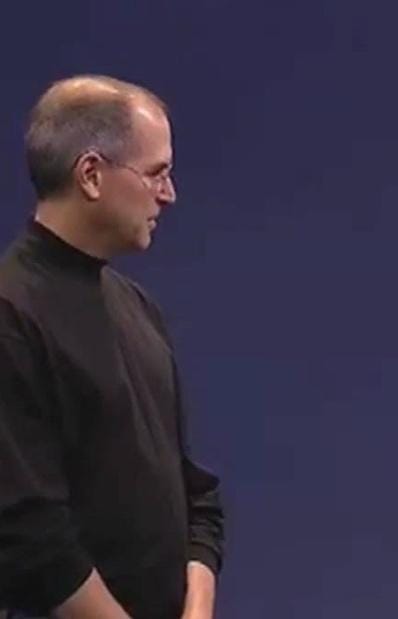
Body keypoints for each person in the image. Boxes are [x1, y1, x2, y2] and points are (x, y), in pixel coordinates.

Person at [0, 76, 225, 619]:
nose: (169, 194)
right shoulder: (11, 316)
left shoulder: (139, 308)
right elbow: (30, 537)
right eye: (157, 174)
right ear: (92, 176)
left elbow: (197, 499)